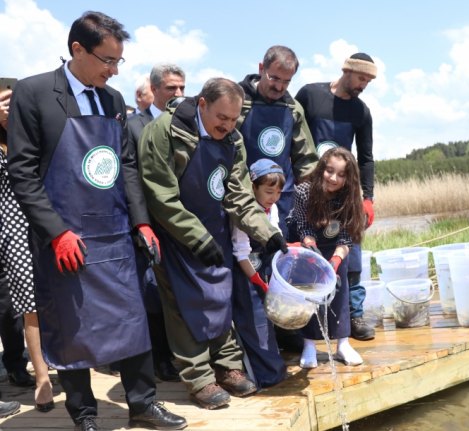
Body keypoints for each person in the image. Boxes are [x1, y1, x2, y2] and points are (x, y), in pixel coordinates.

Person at [6, 11, 186, 431]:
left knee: (132, 319)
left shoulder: (111, 100)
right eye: (107, 60)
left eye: (119, 62)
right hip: (63, 239)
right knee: (72, 327)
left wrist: (141, 222)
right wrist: (56, 231)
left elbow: (125, 165)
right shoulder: (33, 93)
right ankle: (84, 414)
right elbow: (23, 172)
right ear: (77, 51)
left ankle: (143, 403)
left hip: (113, 234)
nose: (114, 70)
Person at [138, 77, 287, 409]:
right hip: (175, 233)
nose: (229, 126)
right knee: (183, 307)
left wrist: (268, 234)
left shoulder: (233, 139)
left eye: (234, 120)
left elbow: (239, 195)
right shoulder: (164, 130)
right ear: (202, 104)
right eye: (222, 118)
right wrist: (196, 237)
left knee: (220, 300)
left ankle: (229, 368)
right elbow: (159, 194)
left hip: (215, 231)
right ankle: (200, 379)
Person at [295, 53, 378, 341]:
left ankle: (354, 316)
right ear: (346, 71)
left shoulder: (361, 112)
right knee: (309, 251)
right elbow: (292, 131)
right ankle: (305, 323)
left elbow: (366, 159)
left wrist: (367, 198)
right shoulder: (310, 95)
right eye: (361, 78)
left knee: (350, 253)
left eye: (368, 81)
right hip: (311, 188)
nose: (363, 85)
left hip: (344, 192)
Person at [126, 63, 186, 384]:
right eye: (170, 89)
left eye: (182, 88)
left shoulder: (190, 123)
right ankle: (161, 358)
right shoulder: (134, 126)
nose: (177, 94)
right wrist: (140, 223)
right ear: (154, 89)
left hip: (183, 224)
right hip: (149, 224)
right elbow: (131, 176)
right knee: (152, 292)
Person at [0, 88, 54, 412]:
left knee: (51, 298)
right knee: (27, 302)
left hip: (44, 224)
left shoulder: (31, 136)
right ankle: (41, 378)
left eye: (13, 103)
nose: (9, 108)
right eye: (4, 102)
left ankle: (57, 362)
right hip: (13, 229)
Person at [288, 147, 366, 368]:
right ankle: (309, 344)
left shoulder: (348, 198)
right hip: (308, 244)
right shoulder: (303, 190)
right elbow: (303, 228)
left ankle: (343, 343)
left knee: (340, 290)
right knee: (310, 291)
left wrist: (334, 263)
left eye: (341, 175)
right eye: (329, 171)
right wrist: (314, 256)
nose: (333, 178)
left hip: (335, 249)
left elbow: (346, 238)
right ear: (321, 167)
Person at [236, 45, 318, 240]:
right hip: (243, 197)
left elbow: (306, 160)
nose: (279, 87)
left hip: (281, 199)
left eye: (286, 81)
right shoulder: (237, 100)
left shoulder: (293, 108)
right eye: (274, 78)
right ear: (261, 68)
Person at [231, 158, 287, 388]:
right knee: (254, 320)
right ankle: (262, 374)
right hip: (244, 271)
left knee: (267, 318)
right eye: (268, 191)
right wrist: (259, 283)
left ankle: (273, 367)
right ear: (253, 187)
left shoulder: (271, 208)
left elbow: (275, 236)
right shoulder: (243, 215)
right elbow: (241, 253)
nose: (274, 197)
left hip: (262, 266)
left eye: (278, 192)